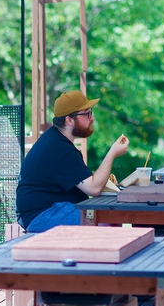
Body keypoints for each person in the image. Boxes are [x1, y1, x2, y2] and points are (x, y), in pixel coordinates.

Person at [16, 90, 130, 232]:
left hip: (50, 209)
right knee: (106, 221)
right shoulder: (60, 148)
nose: (92, 118)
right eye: (87, 113)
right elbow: (93, 188)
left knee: (109, 218)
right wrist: (112, 153)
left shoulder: (56, 141)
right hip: (42, 215)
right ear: (69, 120)